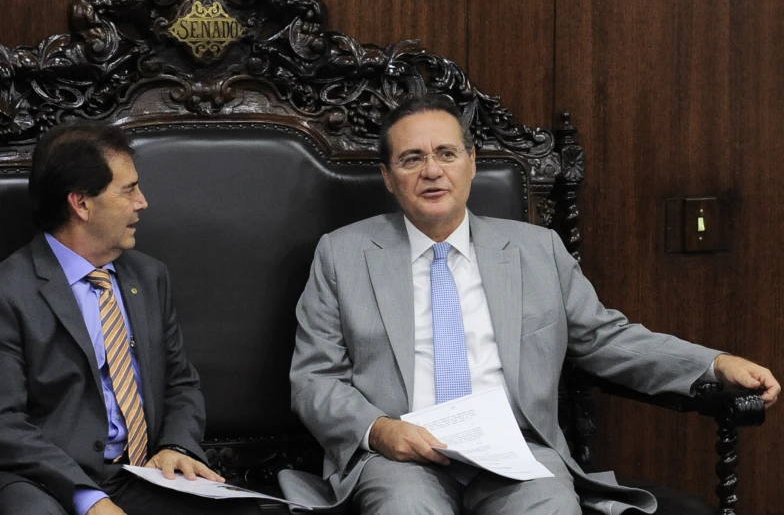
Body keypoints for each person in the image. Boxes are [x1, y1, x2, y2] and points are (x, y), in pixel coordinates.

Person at [282, 94, 780, 514]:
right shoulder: (342, 254)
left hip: (516, 452)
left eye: (447, 154)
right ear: (388, 177)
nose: (432, 170)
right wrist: (380, 430)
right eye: (412, 159)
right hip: (403, 458)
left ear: (472, 163)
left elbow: (606, 339)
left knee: (550, 505)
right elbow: (315, 378)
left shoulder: (537, 250)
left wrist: (712, 364)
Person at [0, 122, 261, 515]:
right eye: (129, 190)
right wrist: (90, 500)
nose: (143, 202)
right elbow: (5, 424)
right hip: (45, 480)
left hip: (137, 472)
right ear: (81, 204)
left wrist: (176, 445)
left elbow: (180, 383)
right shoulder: (10, 290)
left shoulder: (149, 276)